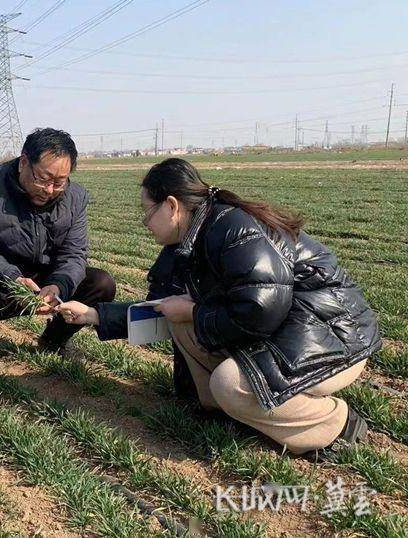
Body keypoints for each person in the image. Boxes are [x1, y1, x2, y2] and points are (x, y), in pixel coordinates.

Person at [56, 158, 381, 457]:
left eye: (148, 210)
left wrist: (195, 312)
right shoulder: (182, 246)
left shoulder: (233, 229)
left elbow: (260, 311)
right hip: (288, 331)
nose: (145, 222)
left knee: (229, 382)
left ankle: (336, 425)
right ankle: (225, 409)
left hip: (334, 336)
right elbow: (162, 311)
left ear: (171, 206)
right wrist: (91, 314)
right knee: (179, 317)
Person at [0, 128, 116, 384]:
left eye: (60, 181)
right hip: (4, 278)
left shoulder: (74, 199)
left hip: (48, 278)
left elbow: (74, 253)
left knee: (101, 283)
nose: (50, 189)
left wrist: (59, 284)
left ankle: (53, 340)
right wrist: (12, 278)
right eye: (43, 178)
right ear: (24, 162)